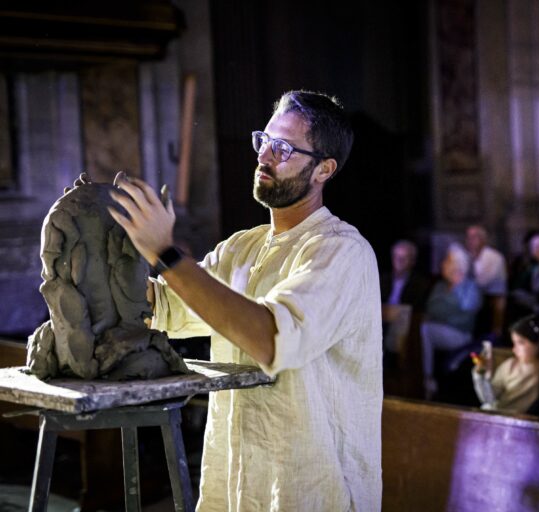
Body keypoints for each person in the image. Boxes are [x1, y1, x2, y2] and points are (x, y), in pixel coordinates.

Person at [108, 91, 382, 510]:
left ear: (324, 169)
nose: (265, 156)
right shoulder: (241, 248)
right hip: (237, 480)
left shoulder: (340, 250)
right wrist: (104, 261)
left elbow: (271, 338)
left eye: (284, 148)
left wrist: (165, 254)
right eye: (264, 141)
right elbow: (164, 308)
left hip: (312, 487)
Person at [420, 243, 482, 399]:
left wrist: (445, 309)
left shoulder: (470, 286)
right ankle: (427, 380)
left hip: (462, 336)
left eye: (446, 261)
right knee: (423, 328)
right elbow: (431, 307)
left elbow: (466, 314)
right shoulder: (440, 286)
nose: (442, 265)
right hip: (443, 330)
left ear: (457, 265)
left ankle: (428, 379)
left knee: (426, 329)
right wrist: (450, 310)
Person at [471, 314, 539, 413]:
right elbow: (489, 398)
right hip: (501, 416)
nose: (514, 349)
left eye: (521, 343)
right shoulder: (510, 366)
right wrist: (481, 374)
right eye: (514, 343)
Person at [465, 224, 508, 338]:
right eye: (468, 237)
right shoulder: (468, 256)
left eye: (474, 237)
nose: (470, 241)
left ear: (483, 239)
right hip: (475, 299)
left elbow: (483, 282)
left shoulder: (494, 257)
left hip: (491, 301)